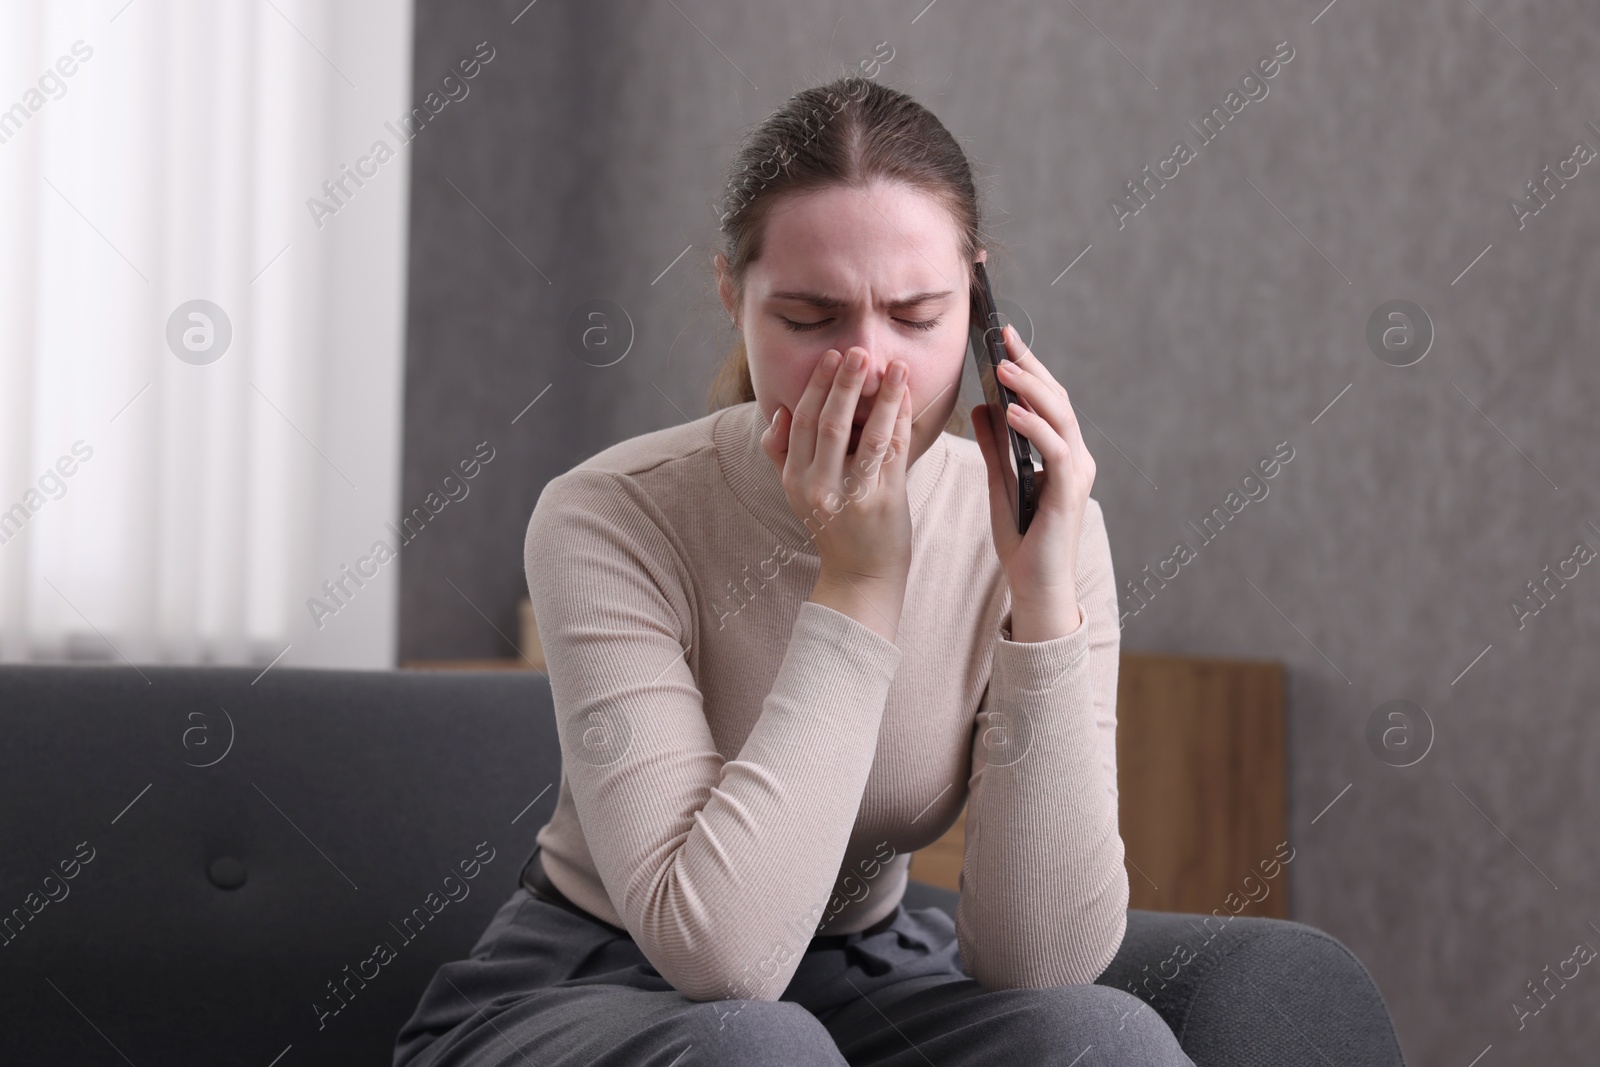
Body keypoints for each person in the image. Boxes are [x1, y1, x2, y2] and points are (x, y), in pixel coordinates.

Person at [393, 74, 1194, 1066]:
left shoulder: (1041, 525)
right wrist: (859, 583)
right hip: (601, 982)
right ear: (731, 295)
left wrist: (1041, 594)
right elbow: (724, 959)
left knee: (1106, 1038)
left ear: (980, 308)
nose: (869, 366)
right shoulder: (611, 513)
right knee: (756, 1048)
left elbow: (1041, 962)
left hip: (861, 976)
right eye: (811, 319)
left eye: (918, 314)